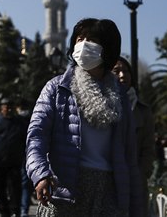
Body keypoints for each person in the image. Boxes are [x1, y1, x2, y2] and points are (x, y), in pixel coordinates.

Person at [26, 18, 141, 217]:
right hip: (65, 188)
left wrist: (134, 203)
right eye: (80, 39)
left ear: (106, 48)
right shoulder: (58, 88)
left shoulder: (120, 96)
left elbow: (129, 156)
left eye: (92, 40)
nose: (83, 45)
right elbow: (36, 136)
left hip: (107, 191)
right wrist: (41, 174)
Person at [112, 56, 155, 215]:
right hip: (107, 184)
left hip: (134, 184)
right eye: (117, 71)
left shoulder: (143, 112)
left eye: (126, 71)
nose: (122, 75)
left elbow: (148, 149)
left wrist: (139, 174)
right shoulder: (101, 107)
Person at [0, 98, 28, 217]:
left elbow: (27, 140)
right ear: (1, 108)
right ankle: (4, 212)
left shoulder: (20, 123)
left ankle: (15, 211)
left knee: (15, 190)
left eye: (10, 107)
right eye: (5, 107)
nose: (8, 109)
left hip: (15, 163)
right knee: (0, 189)